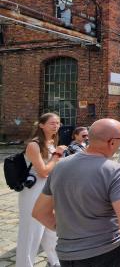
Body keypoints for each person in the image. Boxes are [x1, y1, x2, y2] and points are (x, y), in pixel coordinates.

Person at [32, 118, 120, 267]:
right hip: (105, 251)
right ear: (112, 142)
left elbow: (39, 212)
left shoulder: (60, 166)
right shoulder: (116, 171)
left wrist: (69, 230)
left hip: (66, 253)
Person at [16, 113, 63, 267]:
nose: (56, 126)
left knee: (51, 228)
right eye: (52, 123)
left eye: (58, 123)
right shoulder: (33, 145)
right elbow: (43, 171)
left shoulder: (52, 142)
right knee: (32, 231)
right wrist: (56, 156)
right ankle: (25, 264)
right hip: (34, 190)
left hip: (50, 189)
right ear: (41, 125)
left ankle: (54, 261)